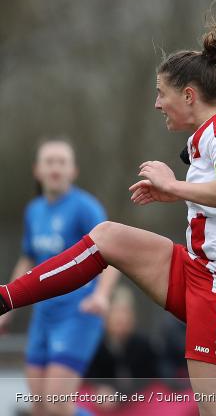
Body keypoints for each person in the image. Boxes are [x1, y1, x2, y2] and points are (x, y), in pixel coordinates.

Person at [0, 7, 216, 416]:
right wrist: (180, 194)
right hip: (202, 271)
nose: (157, 103)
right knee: (108, 237)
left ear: (189, 94)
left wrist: (173, 185)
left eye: (162, 93)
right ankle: (6, 297)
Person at [0, 138, 119, 416]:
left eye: (62, 162)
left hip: (78, 313)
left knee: (56, 403)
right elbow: (28, 259)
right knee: (39, 404)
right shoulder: (34, 211)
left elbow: (113, 255)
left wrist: (101, 296)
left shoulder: (85, 208)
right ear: (37, 171)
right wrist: (6, 307)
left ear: (73, 171)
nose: (56, 168)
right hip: (44, 314)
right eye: (49, 161)